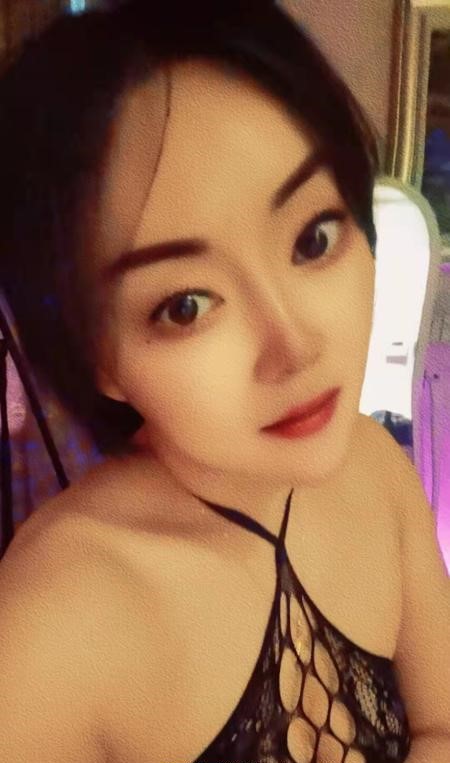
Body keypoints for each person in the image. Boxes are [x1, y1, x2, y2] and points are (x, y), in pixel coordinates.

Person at [0, 2, 449, 761]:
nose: (295, 346)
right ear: (96, 356)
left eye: (314, 238)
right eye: (186, 305)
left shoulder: (379, 472)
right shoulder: (52, 621)